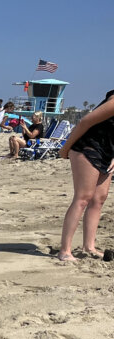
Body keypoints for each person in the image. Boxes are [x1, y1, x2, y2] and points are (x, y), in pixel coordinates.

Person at [56, 89, 114, 262]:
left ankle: (89, 247)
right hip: (87, 147)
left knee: (99, 199)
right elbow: (84, 122)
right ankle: (65, 250)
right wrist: (65, 149)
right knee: (83, 198)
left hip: (107, 152)